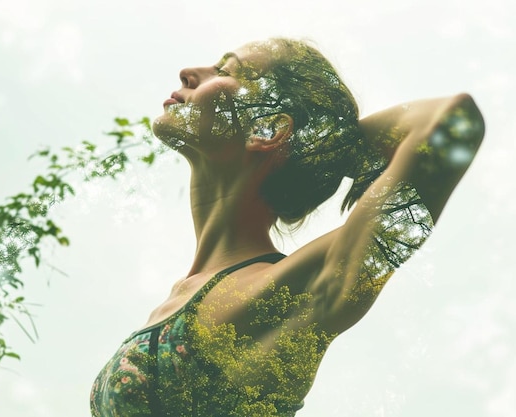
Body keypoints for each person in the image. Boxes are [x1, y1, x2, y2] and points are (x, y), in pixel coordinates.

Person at [90, 38, 484, 417]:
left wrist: (325, 144)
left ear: (267, 130)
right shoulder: (181, 295)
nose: (189, 72)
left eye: (227, 70)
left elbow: (454, 121)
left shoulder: (291, 294)